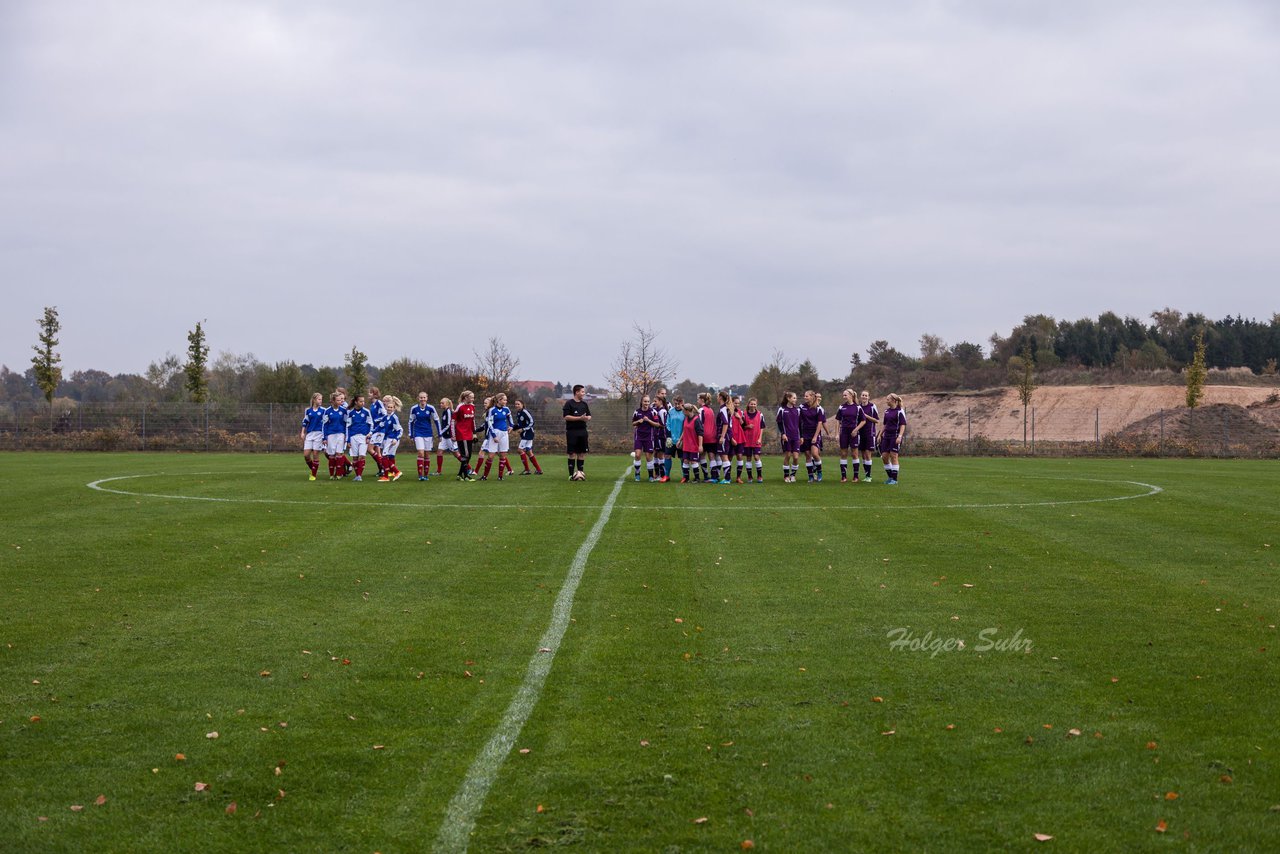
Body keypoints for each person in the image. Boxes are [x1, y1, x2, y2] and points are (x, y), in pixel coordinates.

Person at [478, 393, 514, 480]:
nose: (506, 401)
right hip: (495, 433)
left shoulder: (506, 409)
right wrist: (494, 436)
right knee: (491, 456)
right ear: (499, 400)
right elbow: (489, 424)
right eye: (504, 400)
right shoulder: (492, 410)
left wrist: (511, 426)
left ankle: (500, 477)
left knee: (503, 455)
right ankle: (484, 476)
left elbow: (510, 418)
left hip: (504, 434)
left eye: (506, 400)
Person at [408, 391, 442, 481]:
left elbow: (436, 420)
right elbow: (410, 421)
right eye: (421, 397)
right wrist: (411, 434)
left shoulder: (431, 408)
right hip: (418, 433)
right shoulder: (414, 408)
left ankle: (426, 475)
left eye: (424, 397)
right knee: (420, 453)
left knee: (427, 454)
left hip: (428, 433)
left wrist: (439, 433)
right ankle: (420, 475)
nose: (422, 399)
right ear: (418, 398)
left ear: (427, 398)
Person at [562, 384, 591, 480]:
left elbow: (589, 415)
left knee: (582, 453)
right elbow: (566, 417)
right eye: (582, 391)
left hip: (583, 431)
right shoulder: (569, 403)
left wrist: (587, 418)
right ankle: (571, 475)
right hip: (572, 432)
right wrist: (580, 418)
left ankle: (580, 473)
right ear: (577, 392)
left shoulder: (584, 404)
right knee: (572, 453)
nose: (584, 393)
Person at [322, 391, 352, 479]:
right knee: (331, 455)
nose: (340, 402)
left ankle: (339, 474)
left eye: (340, 400)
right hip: (331, 435)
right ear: (333, 401)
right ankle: (331, 475)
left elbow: (347, 423)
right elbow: (325, 425)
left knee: (339, 453)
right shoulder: (327, 411)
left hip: (341, 434)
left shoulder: (343, 410)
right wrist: (324, 437)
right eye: (338, 400)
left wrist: (347, 435)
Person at [879, 393, 907, 485]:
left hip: (895, 436)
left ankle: (894, 479)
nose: (886, 401)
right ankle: (890, 477)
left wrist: (900, 436)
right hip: (886, 437)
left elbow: (903, 425)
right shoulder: (886, 411)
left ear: (893, 400)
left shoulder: (900, 411)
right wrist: (880, 435)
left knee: (894, 456)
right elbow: (885, 425)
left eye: (888, 399)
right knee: (884, 457)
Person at [631, 394, 660, 482]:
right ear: (641, 402)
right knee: (638, 455)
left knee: (648, 457)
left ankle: (651, 476)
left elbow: (657, 424)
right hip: (639, 437)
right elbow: (633, 423)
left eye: (648, 401)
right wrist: (638, 422)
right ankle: (637, 474)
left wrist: (648, 420)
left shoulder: (653, 412)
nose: (646, 403)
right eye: (645, 401)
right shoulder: (637, 412)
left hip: (649, 438)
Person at [345, 394, 373, 481]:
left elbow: (371, 424)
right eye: (361, 401)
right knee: (355, 457)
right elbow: (348, 427)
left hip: (363, 437)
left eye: (363, 401)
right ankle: (357, 475)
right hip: (353, 437)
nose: (363, 403)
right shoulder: (350, 413)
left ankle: (359, 475)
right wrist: (348, 440)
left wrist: (370, 433)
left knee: (362, 456)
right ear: (356, 402)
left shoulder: (366, 412)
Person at [835, 389, 861, 483]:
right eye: (843, 395)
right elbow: (837, 420)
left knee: (854, 454)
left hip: (854, 433)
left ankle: (856, 476)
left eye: (845, 395)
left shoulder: (858, 407)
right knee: (843, 454)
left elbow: (863, 421)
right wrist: (837, 433)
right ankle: (843, 477)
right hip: (844, 433)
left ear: (851, 395)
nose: (844, 397)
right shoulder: (841, 407)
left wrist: (856, 429)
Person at [855, 390, 880, 482]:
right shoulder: (858, 407)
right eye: (863, 395)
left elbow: (877, 420)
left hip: (870, 433)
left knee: (868, 453)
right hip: (859, 433)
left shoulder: (872, 406)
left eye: (866, 395)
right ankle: (866, 475)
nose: (864, 397)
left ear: (869, 397)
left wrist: (865, 416)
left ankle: (869, 476)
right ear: (860, 397)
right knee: (863, 455)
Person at [776, 392, 801, 483]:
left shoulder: (797, 410)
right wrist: (783, 434)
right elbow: (779, 423)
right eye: (794, 398)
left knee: (796, 457)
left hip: (796, 437)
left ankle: (793, 475)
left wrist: (801, 436)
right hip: (786, 436)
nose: (795, 400)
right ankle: (786, 476)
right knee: (788, 455)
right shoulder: (782, 410)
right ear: (788, 398)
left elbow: (799, 425)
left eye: (796, 398)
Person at [512, 399, 542, 475]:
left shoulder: (525, 412)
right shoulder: (518, 413)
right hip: (525, 434)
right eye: (515, 404)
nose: (517, 405)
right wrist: (512, 428)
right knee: (529, 452)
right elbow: (519, 425)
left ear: (522, 404)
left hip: (528, 433)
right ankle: (538, 470)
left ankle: (527, 470)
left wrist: (523, 429)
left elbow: (532, 422)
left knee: (520, 450)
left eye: (518, 404)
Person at [739, 397, 765, 482]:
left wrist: (760, 438)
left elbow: (762, 427)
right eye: (751, 404)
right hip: (747, 440)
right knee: (749, 458)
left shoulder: (760, 414)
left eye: (754, 404)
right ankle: (750, 477)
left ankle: (759, 476)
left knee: (756, 457)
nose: (753, 405)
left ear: (756, 405)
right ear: (748, 404)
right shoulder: (744, 414)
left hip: (756, 439)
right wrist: (747, 426)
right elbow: (741, 426)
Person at [378, 395, 403, 481]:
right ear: (385, 407)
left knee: (384, 456)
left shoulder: (394, 418)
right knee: (388, 457)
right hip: (386, 439)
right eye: (388, 407)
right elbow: (379, 427)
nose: (389, 408)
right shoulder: (385, 417)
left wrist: (396, 438)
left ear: (394, 408)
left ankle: (389, 475)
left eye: (391, 407)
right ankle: (392, 473)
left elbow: (399, 430)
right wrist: (371, 433)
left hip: (392, 439)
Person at [301, 393, 325, 480]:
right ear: (314, 400)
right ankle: (314, 469)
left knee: (315, 454)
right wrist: (302, 432)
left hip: (319, 434)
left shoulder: (323, 410)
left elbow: (326, 423)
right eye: (319, 399)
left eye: (321, 399)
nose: (321, 401)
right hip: (310, 434)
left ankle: (313, 475)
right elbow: (305, 421)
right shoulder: (308, 410)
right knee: (306, 455)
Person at [454, 391, 478, 480]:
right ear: (465, 397)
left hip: (469, 434)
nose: (473, 399)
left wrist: (474, 433)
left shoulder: (472, 406)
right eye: (471, 397)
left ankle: (460, 475)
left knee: (469, 455)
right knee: (465, 455)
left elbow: (473, 421)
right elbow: (453, 420)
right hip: (461, 433)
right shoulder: (460, 407)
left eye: (473, 397)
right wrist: (453, 434)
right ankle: (466, 476)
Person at [678, 401, 704, 483]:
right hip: (686, 445)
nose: (683, 412)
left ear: (687, 411)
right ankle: (686, 478)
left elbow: (700, 434)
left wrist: (700, 446)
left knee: (693, 461)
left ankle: (697, 479)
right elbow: (684, 431)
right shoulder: (685, 419)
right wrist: (679, 440)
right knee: (685, 460)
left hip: (694, 445)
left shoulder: (696, 420)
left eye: (684, 411)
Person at [367, 386, 387, 478]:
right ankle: (381, 470)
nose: (368, 394)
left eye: (370, 393)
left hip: (379, 430)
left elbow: (385, 415)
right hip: (374, 429)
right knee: (377, 451)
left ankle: (383, 467)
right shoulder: (372, 405)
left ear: (374, 394)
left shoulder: (379, 403)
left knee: (370, 449)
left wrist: (377, 421)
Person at [664, 395, 686, 481]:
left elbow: (686, 427)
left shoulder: (685, 412)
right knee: (667, 455)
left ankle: (684, 476)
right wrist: (669, 437)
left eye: (679, 404)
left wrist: (682, 439)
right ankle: (666, 476)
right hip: (671, 439)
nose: (677, 405)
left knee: (683, 458)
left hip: (681, 440)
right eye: (675, 404)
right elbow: (667, 424)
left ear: (682, 403)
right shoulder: (670, 411)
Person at [437, 397, 459, 475]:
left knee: (456, 454)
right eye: (440, 403)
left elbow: (449, 424)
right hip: (444, 437)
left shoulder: (449, 411)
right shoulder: (444, 412)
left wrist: (441, 432)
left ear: (447, 404)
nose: (441, 404)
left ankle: (469, 468)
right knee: (439, 452)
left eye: (442, 403)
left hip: (450, 436)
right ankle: (439, 471)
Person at [652, 392, 670, 481]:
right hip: (656, 435)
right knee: (655, 453)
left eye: (656, 401)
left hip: (661, 436)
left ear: (660, 401)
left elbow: (663, 425)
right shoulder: (657, 410)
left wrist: (653, 423)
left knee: (660, 455)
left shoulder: (662, 411)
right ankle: (657, 474)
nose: (654, 403)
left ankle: (662, 475)